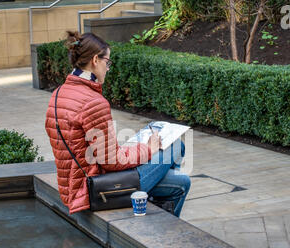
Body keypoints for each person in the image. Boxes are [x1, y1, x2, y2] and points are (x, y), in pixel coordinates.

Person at [45, 31, 191, 217]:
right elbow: (112, 161)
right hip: (98, 189)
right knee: (177, 145)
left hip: (73, 189)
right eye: (108, 62)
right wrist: (148, 149)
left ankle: (151, 213)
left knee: (182, 183)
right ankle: (150, 213)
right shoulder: (93, 102)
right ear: (95, 60)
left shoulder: (58, 94)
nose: (108, 68)